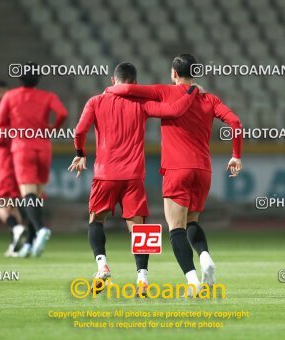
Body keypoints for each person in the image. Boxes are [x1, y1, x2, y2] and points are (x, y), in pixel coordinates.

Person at [106, 53, 243, 296]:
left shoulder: (164, 91)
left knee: (175, 228)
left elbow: (125, 90)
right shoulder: (210, 99)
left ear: (174, 74)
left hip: (177, 169)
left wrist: (108, 89)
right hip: (203, 170)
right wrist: (236, 155)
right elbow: (236, 123)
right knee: (192, 222)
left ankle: (192, 282)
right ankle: (205, 257)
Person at [69, 62, 199, 294]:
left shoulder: (96, 101)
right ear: (135, 84)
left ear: (113, 80)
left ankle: (102, 265)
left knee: (96, 219)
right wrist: (191, 91)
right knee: (139, 229)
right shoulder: (141, 104)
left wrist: (80, 153)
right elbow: (173, 111)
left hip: (105, 175)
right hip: (133, 176)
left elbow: (79, 131)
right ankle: (142, 279)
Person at [0, 62, 68, 257]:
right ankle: (31, 242)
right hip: (43, 147)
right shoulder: (48, 96)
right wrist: (54, 128)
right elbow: (63, 113)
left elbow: (0, 122)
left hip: (22, 148)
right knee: (36, 196)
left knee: (28, 195)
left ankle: (41, 229)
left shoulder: (10, 96)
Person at [0, 80, 26, 257]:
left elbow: (0, 137)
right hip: (17, 160)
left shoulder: (5, 111)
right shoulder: (17, 109)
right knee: (12, 205)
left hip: (5, 162)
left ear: (6, 93)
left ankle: (16, 228)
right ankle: (18, 245)